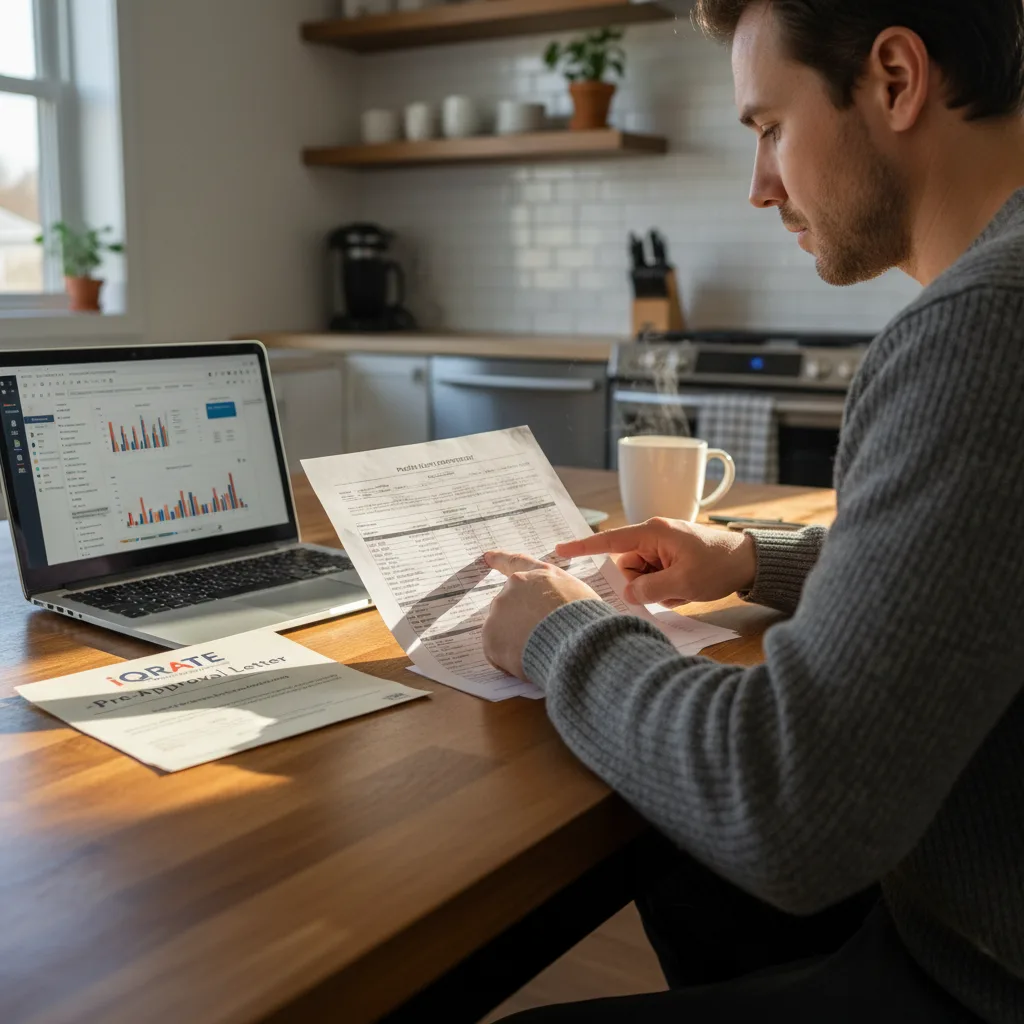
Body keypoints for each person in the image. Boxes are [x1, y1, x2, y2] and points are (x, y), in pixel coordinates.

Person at [479, 2, 1024, 1021]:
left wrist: (563, 631)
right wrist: (751, 557)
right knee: (681, 860)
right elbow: (986, 572)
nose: (759, 184)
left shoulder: (984, 324)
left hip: (977, 979)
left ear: (896, 79)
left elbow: (789, 803)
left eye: (768, 126)